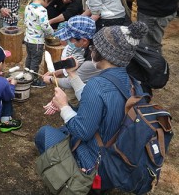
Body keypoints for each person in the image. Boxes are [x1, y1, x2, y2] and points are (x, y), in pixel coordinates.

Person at [35, 21, 149, 191]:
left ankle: (77, 179)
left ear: (104, 53)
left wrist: (64, 106)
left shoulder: (98, 85)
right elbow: (95, 99)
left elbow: (82, 131)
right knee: (66, 124)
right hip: (116, 157)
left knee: (43, 134)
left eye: (94, 47)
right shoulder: (131, 82)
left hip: (95, 165)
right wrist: (72, 73)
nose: (91, 50)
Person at [24, 0, 55, 88]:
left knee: (29, 57)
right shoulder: (42, 10)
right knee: (35, 61)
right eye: (49, 2)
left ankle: (26, 74)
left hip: (28, 39)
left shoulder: (28, 6)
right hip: (37, 42)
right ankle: (33, 80)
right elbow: (45, 26)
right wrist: (51, 33)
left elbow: (26, 21)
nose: (49, 4)